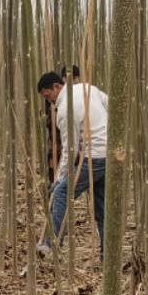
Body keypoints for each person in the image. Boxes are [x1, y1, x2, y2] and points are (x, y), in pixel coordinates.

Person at [38, 69, 109, 256]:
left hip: (93, 157)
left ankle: (51, 245)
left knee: (61, 192)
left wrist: (59, 179)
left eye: (48, 95)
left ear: (56, 86)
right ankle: (107, 254)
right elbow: (108, 102)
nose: (49, 100)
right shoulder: (87, 88)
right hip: (108, 155)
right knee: (102, 207)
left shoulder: (64, 109)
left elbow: (70, 150)